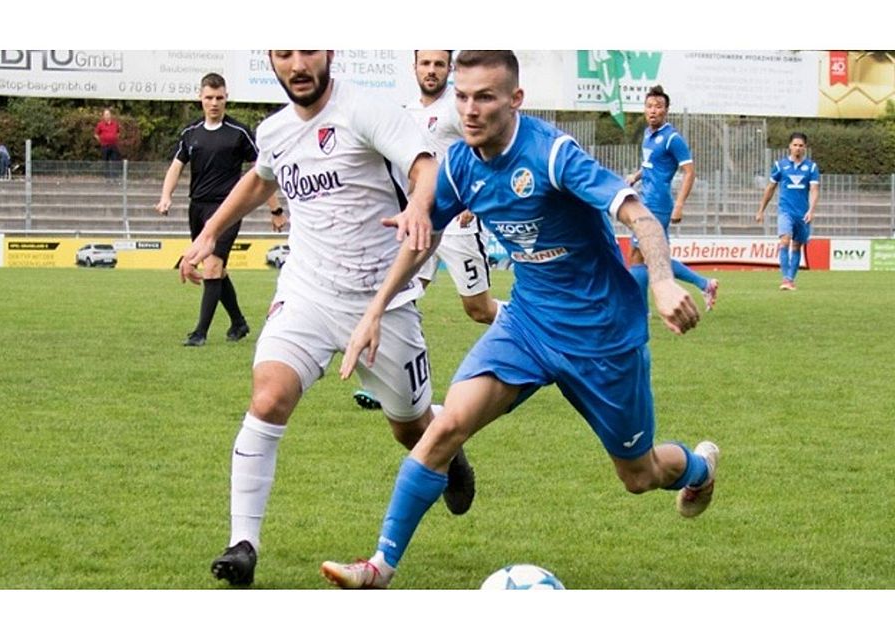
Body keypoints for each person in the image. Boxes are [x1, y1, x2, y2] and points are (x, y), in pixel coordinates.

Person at [321, 50, 719, 590]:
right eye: (462, 96)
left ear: (515, 99)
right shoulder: (460, 163)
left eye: (484, 96)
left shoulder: (553, 155)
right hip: (527, 326)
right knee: (446, 428)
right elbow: (423, 237)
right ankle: (378, 568)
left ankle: (698, 469)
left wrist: (666, 281)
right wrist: (373, 311)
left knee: (639, 475)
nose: (470, 109)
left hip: (602, 336)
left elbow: (639, 215)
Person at [178, 50, 476, 587]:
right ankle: (242, 543)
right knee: (268, 396)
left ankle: (448, 454)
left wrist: (418, 206)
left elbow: (424, 165)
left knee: (409, 428)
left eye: (308, 49)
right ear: (271, 59)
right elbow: (260, 180)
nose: (297, 63)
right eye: (285, 52)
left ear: (330, 53)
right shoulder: (273, 131)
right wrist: (207, 234)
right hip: (308, 293)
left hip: (384, 301)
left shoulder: (366, 110)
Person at [352, 49, 505, 412]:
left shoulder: (457, 109)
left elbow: (486, 153)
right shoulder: (405, 114)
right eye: (426, 63)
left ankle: (536, 327)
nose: (432, 70)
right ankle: (384, 384)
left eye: (439, 64)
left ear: (448, 69)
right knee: (394, 299)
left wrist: (473, 201)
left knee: (479, 310)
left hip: (457, 224)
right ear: (415, 67)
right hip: (419, 221)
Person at [155, 72, 277, 347]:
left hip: (228, 210)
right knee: (218, 271)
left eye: (219, 98)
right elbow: (177, 166)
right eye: (209, 97)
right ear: (200, 98)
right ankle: (238, 322)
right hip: (197, 208)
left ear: (226, 98)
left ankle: (200, 333)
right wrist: (166, 196)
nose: (214, 103)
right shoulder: (190, 133)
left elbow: (263, 172)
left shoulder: (239, 132)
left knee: (211, 267)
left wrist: (275, 210)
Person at [627, 85, 719, 312]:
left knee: (639, 256)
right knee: (656, 259)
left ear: (666, 110)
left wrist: (679, 204)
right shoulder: (648, 135)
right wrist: (636, 176)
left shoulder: (672, 138)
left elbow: (690, 171)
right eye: (649, 106)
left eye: (658, 107)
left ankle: (641, 310)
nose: (653, 111)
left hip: (658, 204)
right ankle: (705, 284)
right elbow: (650, 165)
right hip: (645, 200)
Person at [755, 132, 820, 291]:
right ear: (790, 146)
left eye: (801, 145)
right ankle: (786, 279)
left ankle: (791, 279)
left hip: (802, 213)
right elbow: (770, 188)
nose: (797, 148)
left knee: (797, 246)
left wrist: (811, 210)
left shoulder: (811, 167)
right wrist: (761, 210)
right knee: (785, 240)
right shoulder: (780, 166)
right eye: (795, 145)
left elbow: (814, 189)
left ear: (805, 147)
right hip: (785, 211)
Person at [94, 108, 122, 179]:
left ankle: (115, 176)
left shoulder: (115, 124)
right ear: (103, 116)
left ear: (110, 115)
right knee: (105, 161)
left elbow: (118, 132)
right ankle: (106, 177)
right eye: (105, 114)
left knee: (115, 161)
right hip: (105, 146)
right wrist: (101, 140)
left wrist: (115, 138)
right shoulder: (100, 124)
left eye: (108, 114)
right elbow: (96, 134)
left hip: (113, 145)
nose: (107, 116)